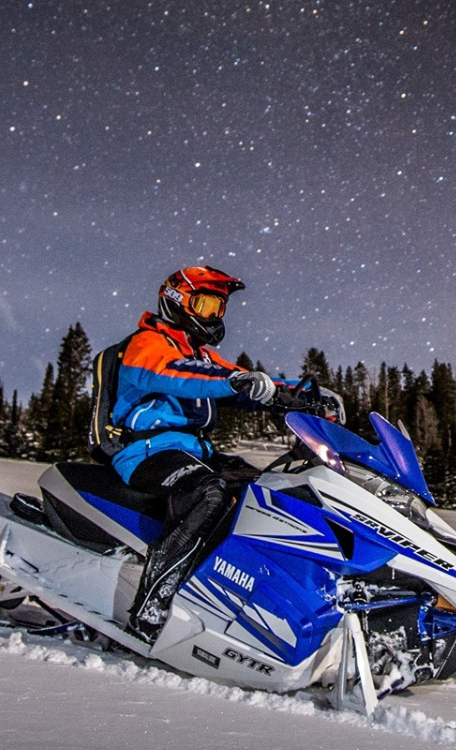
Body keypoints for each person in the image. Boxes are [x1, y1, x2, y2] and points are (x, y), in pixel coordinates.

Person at [93, 265, 340, 643]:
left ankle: (261, 604)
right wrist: (232, 381)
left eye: (218, 308)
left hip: (195, 451)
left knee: (271, 491)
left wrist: (303, 396)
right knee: (209, 492)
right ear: (176, 302)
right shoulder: (149, 345)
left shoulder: (201, 357)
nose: (213, 316)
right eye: (205, 305)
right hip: (144, 452)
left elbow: (247, 383)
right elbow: (175, 373)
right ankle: (151, 607)